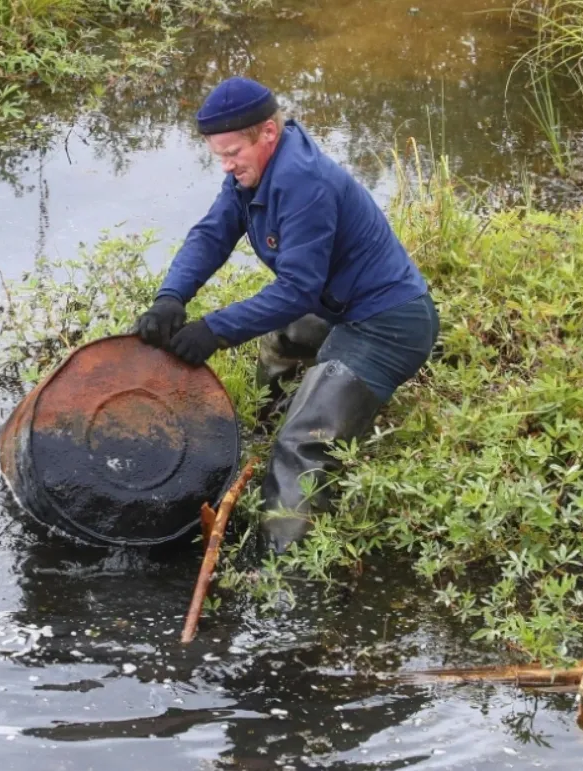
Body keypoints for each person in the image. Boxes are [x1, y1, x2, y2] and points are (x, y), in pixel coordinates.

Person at [134, 76, 438, 553]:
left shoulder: (303, 182)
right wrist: (171, 297)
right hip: (336, 307)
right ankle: (260, 429)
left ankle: (282, 575)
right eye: (219, 155)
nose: (227, 165)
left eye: (233, 152)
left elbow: (297, 288)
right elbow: (212, 234)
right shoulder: (252, 173)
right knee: (281, 342)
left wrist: (213, 331)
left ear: (268, 134)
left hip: (387, 325)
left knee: (302, 446)